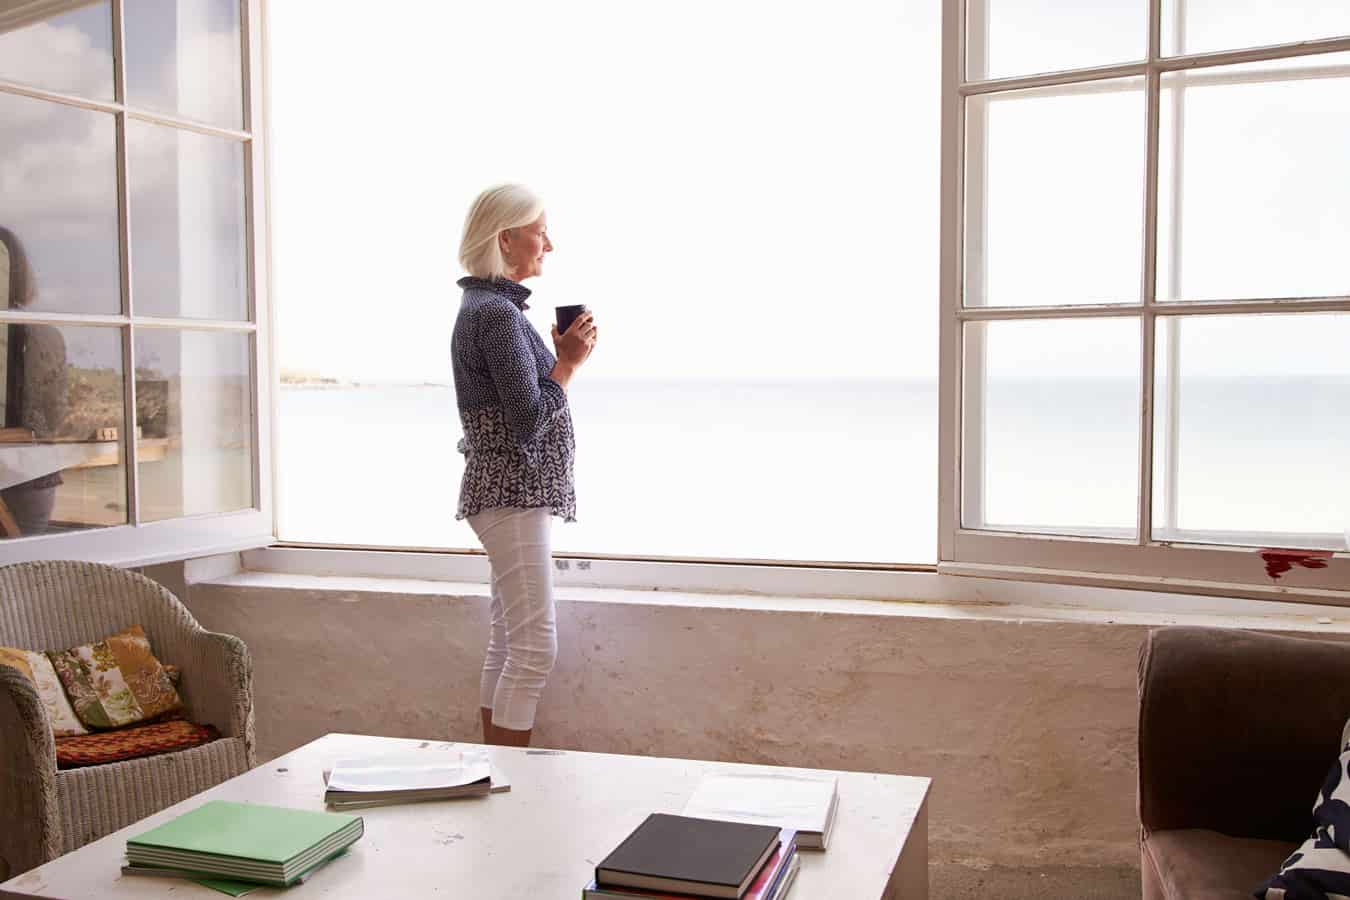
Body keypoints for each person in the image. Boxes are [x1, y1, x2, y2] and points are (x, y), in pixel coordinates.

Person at [451, 185, 597, 747]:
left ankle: (494, 777)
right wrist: (567, 363)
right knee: (535, 647)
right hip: (512, 493)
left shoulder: (489, 310)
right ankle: (511, 783)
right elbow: (528, 421)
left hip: (502, 492)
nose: (549, 243)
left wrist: (557, 360)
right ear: (506, 238)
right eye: (540, 230)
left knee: (509, 641)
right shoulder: (496, 316)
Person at [0, 226, 69, 536]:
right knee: (25, 574)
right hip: (35, 478)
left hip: (24, 479)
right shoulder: (46, 335)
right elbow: (51, 417)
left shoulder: (37, 335)